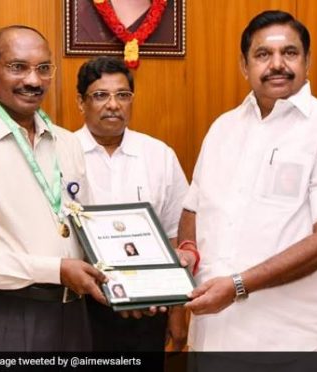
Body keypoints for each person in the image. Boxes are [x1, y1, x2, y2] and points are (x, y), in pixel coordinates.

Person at [181, 10, 317, 352]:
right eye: (263, 54)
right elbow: (193, 207)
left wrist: (237, 285)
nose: (277, 64)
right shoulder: (223, 128)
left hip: (285, 342)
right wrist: (188, 252)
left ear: (307, 61)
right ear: (244, 64)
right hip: (210, 335)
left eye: (289, 53)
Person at [0, 25, 107, 352]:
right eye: (18, 67)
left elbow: (88, 228)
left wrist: (133, 282)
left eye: (43, 69)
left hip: (75, 314)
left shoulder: (67, 143)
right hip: (8, 316)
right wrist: (54, 270)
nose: (33, 80)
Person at [74, 56, 190, 352]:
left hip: (149, 308)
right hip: (80, 307)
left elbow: (176, 235)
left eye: (122, 95)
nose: (113, 105)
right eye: (100, 95)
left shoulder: (159, 155)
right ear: (80, 102)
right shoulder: (62, 154)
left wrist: (178, 311)